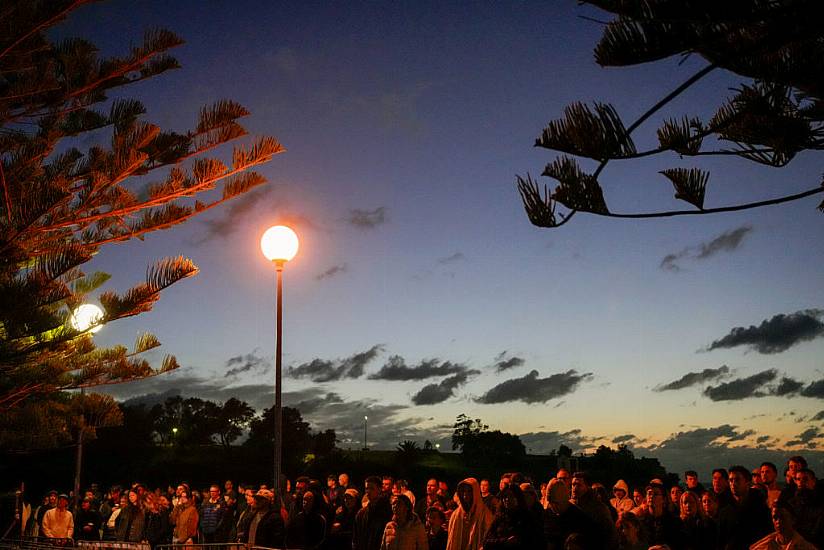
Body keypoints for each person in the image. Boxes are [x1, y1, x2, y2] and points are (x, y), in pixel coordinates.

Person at [717, 465, 771, 549]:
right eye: (731, 480)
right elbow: (721, 540)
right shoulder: (725, 511)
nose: (733, 484)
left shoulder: (760, 508)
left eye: (737, 480)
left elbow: (768, 535)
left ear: (747, 482)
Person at [482, 484, 542, 549]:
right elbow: (486, 542)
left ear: (518, 497)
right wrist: (504, 542)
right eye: (505, 497)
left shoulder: (527, 518)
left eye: (511, 496)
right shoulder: (499, 517)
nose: (507, 499)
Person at [542, 478, 593, 550]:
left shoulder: (579, 518)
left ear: (563, 500)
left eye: (556, 503)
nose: (553, 506)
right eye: (550, 502)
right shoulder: (548, 514)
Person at [570, 471, 617, 548]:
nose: (574, 488)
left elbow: (610, 535)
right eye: (573, 484)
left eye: (578, 485)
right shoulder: (570, 505)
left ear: (587, 487)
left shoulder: (599, 508)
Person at [445, 478, 493, 550]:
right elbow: (451, 541)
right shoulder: (456, 515)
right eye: (463, 491)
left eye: (469, 491)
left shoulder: (485, 514)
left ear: (475, 492)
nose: (465, 495)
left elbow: (488, 538)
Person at [750, 503, 817, 550]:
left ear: (793, 519)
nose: (778, 521)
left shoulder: (805, 547)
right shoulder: (764, 546)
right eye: (775, 518)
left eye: (782, 517)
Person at [353, 476, 393, 550]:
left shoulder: (388, 511)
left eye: (371, 488)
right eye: (366, 488)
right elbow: (356, 537)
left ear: (380, 489)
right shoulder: (361, 513)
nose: (368, 491)